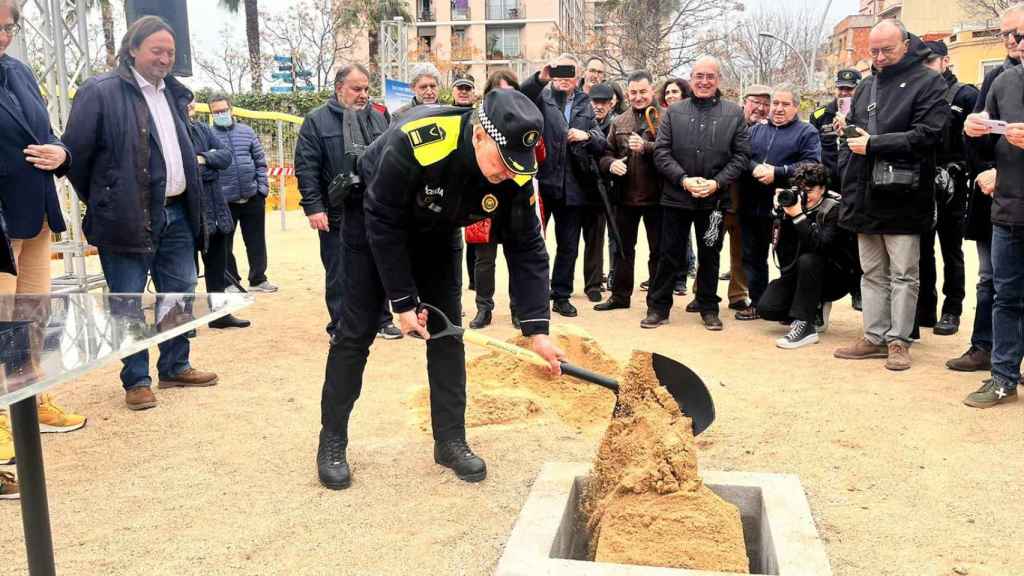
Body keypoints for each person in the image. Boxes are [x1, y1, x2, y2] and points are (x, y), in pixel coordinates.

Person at [316, 90, 563, 490]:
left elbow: (527, 245)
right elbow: (382, 219)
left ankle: (450, 440)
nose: (507, 174)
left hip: (437, 232)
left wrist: (538, 330)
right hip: (375, 221)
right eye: (502, 164)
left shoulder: (515, 167)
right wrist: (403, 301)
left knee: (448, 337)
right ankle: (332, 440)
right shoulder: (420, 140)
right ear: (481, 135)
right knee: (354, 333)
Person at [63, 15, 219, 409]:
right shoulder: (100, 91)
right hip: (125, 218)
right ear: (132, 49)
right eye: (157, 50)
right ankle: (136, 379)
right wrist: (107, 199)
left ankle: (175, 364)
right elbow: (75, 158)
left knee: (178, 291)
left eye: (170, 52)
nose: (165, 58)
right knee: (128, 299)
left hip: (178, 213)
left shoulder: (175, 94)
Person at [0, 0, 86, 477]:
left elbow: (47, 133)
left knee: (32, 313)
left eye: (9, 27)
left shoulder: (18, 72)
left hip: (34, 215)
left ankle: (27, 402)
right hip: (1, 223)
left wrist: (62, 151)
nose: (4, 36)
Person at [833, 19, 949, 372]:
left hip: (905, 192)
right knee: (871, 272)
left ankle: (899, 341)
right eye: (874, 51)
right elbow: (854, 135)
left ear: (906, 45)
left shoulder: (930, 82)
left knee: (903, 273)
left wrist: (874, 144)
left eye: (887, 50)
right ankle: (873, 336)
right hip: (864, 192)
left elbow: (929, 134)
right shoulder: (866, 85)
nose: (879, 57)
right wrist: (850, 139)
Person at [294, 64, 400, 340]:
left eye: (366, 88)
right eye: (356, 88)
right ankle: (340, 324)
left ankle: (382, 319)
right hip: (336, 210)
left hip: (375, 208)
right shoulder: (316, 120)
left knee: (380, 264)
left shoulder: (379, 117)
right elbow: (306, 166)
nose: (363, 94)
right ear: (339, 88)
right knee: (339, 271)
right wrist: (314, 207)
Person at [646, 56, 750, 331]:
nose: (704, 82)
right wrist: (683, 179)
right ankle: (658, 307)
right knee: (669, 253)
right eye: (699, 76)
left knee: (710, 253)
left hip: (715, 202)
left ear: (718, 80)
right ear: (691, 80)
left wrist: (716, 183)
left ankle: (708, 307)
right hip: (676, 198)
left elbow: (741, 157)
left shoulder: (734, 113)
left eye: (710, 77)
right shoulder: (673, 112)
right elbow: (661, 152)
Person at [947, 3, 1024, 373]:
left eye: (1019, 34)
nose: (1011, 42)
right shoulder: (997, 78)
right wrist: (983, 162)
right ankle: (984, 347)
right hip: (998, 198)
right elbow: (979, 137)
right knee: (991, 279)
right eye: (1005, 34)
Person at [962, 34, 1024, 408]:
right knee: (1006, 298)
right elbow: (986, 148)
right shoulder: (1003, 80)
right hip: (1008, 211)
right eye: (1015, 36)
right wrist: (973, 132)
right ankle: (1003, 377)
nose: (1015, 42)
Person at [520, 54, 608, 316]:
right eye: (559, 71)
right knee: (533, 242)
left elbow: (601, 140)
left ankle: (561, 295)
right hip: (544, 185)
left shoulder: (584, 102)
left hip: (574, 189)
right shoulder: (541, 98)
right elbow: (520, 94)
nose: (564, 78)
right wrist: (541, 78)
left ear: (578, 76)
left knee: (568, 246)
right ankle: (532, 296)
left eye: (569, 72)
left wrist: (587, 135)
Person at [737, 84, 822, 322]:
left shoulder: (807, 132)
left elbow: (812, 165)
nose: (778, 109)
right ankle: (758, 302)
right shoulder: (755, 131)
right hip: (752, 205)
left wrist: (778, 172)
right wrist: (755, 169)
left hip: (787, 210)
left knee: (788, 259)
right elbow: (742, 156)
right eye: (775, 103)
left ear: (795, 107)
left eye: (785, 104)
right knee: (752, 258)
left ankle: (792, 308)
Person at [914, 40, 979, 337]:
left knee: (951, 248)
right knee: (922, 248)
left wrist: (961, 169)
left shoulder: (965, 94)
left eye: (931, 61)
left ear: (945, 61)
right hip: (923, 178)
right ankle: (924, 307)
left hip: (954, 179)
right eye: (922, 62)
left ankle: (952, 309)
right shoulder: (919, 94)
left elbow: (978, 143)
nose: (926, 67)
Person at [758, 163, 859, 349]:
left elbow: (821, 246)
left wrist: (798, 216)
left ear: (823, 188)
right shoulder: (793, 202)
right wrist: (778, 216)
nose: (805, 195)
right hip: (802, 274)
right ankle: (813, 306)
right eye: (801, 190)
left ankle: (805, 327)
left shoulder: (835, 208)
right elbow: (779, 248)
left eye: (810, 191)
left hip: (836, 276)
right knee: (767, 308)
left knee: (810, 258)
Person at [594, 71, 662, 312]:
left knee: (658, 252)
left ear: (652, 91)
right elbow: (605, 153)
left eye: (643, 92)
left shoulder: (665, 119)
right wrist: (611, 164)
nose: (638, 97)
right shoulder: (619, 121)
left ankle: (656, 301)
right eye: (633, 92)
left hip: (659, 197)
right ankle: (620, 296)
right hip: (625, 197)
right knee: (623, 250)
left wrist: (647, 147)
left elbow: (672, 152)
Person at [467, 69, 525, 329]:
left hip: (515, 195)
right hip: (482, 196)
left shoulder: (525, 119)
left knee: (517, 255)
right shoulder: (474, 119)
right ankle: (483, 308)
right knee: (484, 259)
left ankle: (518, 308)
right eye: (498, 92)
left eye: (510, 91)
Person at [187, 100, 249, 329]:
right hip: (189, 212)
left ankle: (219, 315)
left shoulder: (203, 129)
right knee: (186, 272)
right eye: (186, 104)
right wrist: (205, 162)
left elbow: (225, 157)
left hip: (215, 209)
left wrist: (202, 159)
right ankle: (186, 321)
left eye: (192, 105)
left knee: (217, 266)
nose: (190, 109)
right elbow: (183, 168)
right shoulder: (171, 133)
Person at [208, 94, 276, 294]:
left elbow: (260, 161)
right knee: (224, 245)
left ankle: (258, 279)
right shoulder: (208, 136)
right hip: (224, 201)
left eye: (223, 110)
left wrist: (262, 189)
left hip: (252, 197)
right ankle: (231, 282)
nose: (221, 114)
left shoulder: (247, 132)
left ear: (232, 109)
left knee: (256, 241)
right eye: (216, 112)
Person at [811, 69, 864, 312]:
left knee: (856, 242)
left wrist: (849, 124)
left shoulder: (864, 114)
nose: (844, 93)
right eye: (841, 88)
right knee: (826, 241)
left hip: (855, 184)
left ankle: (857, 289)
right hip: (829, 185)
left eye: (849, 89)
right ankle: (822, 299)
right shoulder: (821, 114)